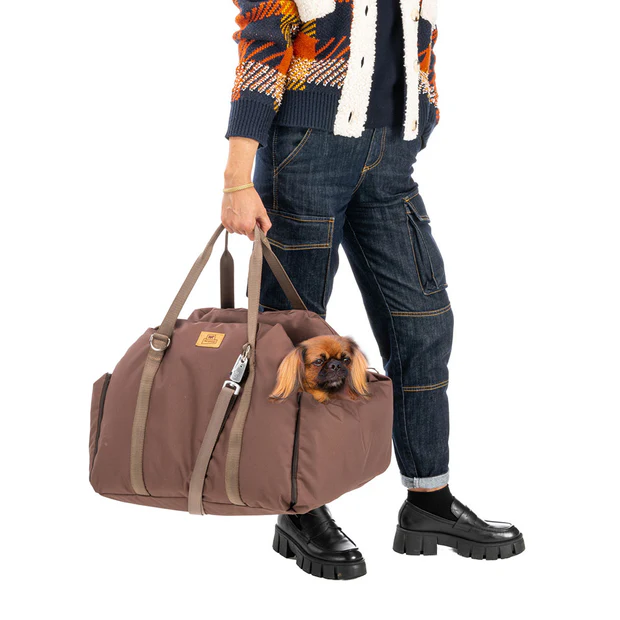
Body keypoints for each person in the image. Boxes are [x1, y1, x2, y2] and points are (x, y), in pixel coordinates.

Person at [221, 0, 525, 579]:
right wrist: (238, 176)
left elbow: (419, 30)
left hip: (391, 154)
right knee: (295, 337)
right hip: (305, 149)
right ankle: (298, 506)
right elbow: (261, 35)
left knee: (424, 323)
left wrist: (422, 114)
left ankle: (429, 500)